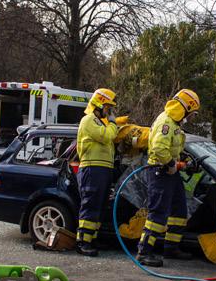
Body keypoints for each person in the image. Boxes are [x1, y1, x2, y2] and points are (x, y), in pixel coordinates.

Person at [135, 89, 201, 267]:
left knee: (179, 211)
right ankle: (144, 252)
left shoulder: (175, 123)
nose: (192, 117)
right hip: (160, 172)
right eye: (192, 113)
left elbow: (172, 148)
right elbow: (159, 148)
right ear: (186, 108)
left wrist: (182, 160)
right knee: (158, 212)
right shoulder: (167, 122)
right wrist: (171, 164)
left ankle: (171, 248)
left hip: (170, 173)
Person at [75, 88, 123, 257]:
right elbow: (106, 136)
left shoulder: (99, 122)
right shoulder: (89, 120)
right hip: (92, 168)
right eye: (107, 108)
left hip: (102, 170)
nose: (108, 112)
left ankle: (92, 239)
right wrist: (113, 123)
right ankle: (83, 242)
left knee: (99, 206)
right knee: (90, 205)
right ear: (99, 104)